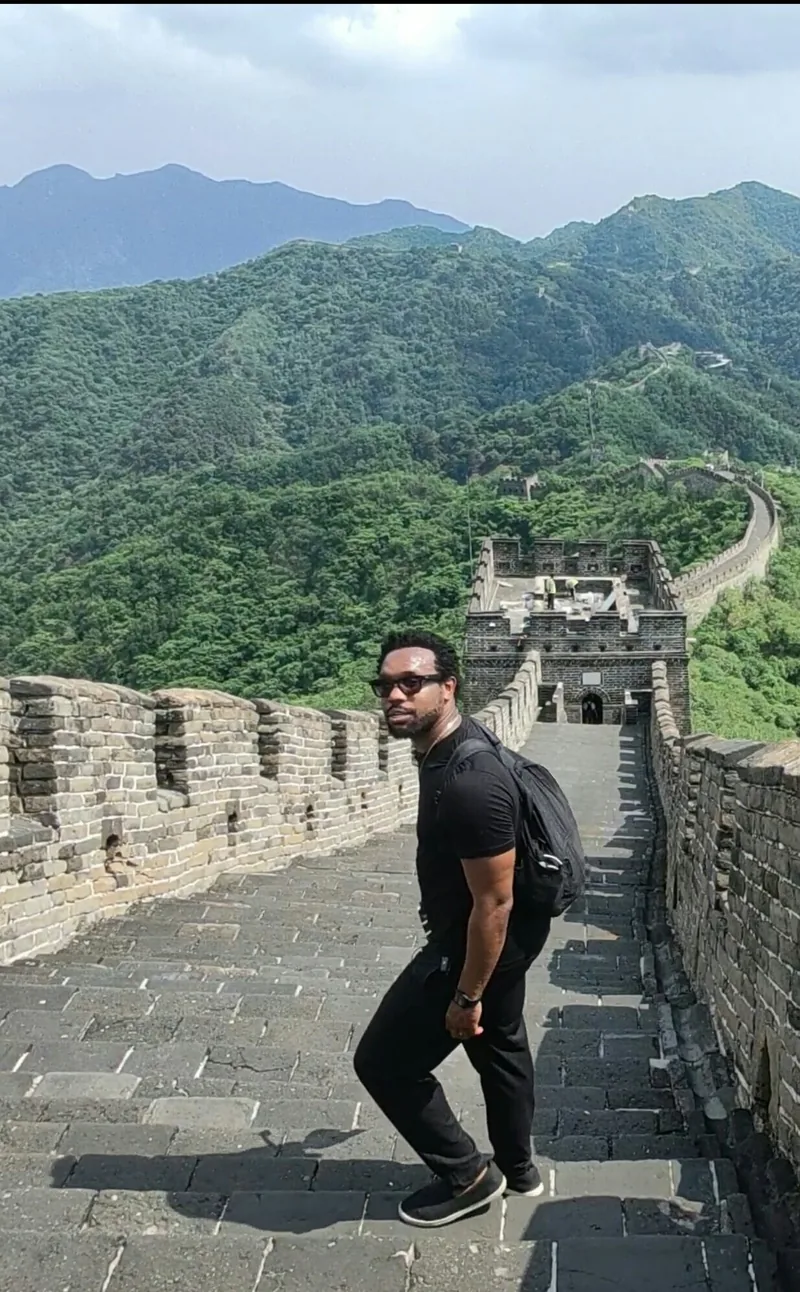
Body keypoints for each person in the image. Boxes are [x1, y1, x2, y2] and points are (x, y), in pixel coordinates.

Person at [353, 630, 551, 1228]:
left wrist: (466, 996)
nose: (394, 695)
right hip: (507, 944)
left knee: (384, 1063)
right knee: (502, 1051)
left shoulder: (468, 780)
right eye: (385, 685)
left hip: (476, 945)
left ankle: (467, 1176)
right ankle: (522, 1173)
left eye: (411, 683)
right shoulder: (449, 750)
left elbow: (493, 902)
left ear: (448, 687)